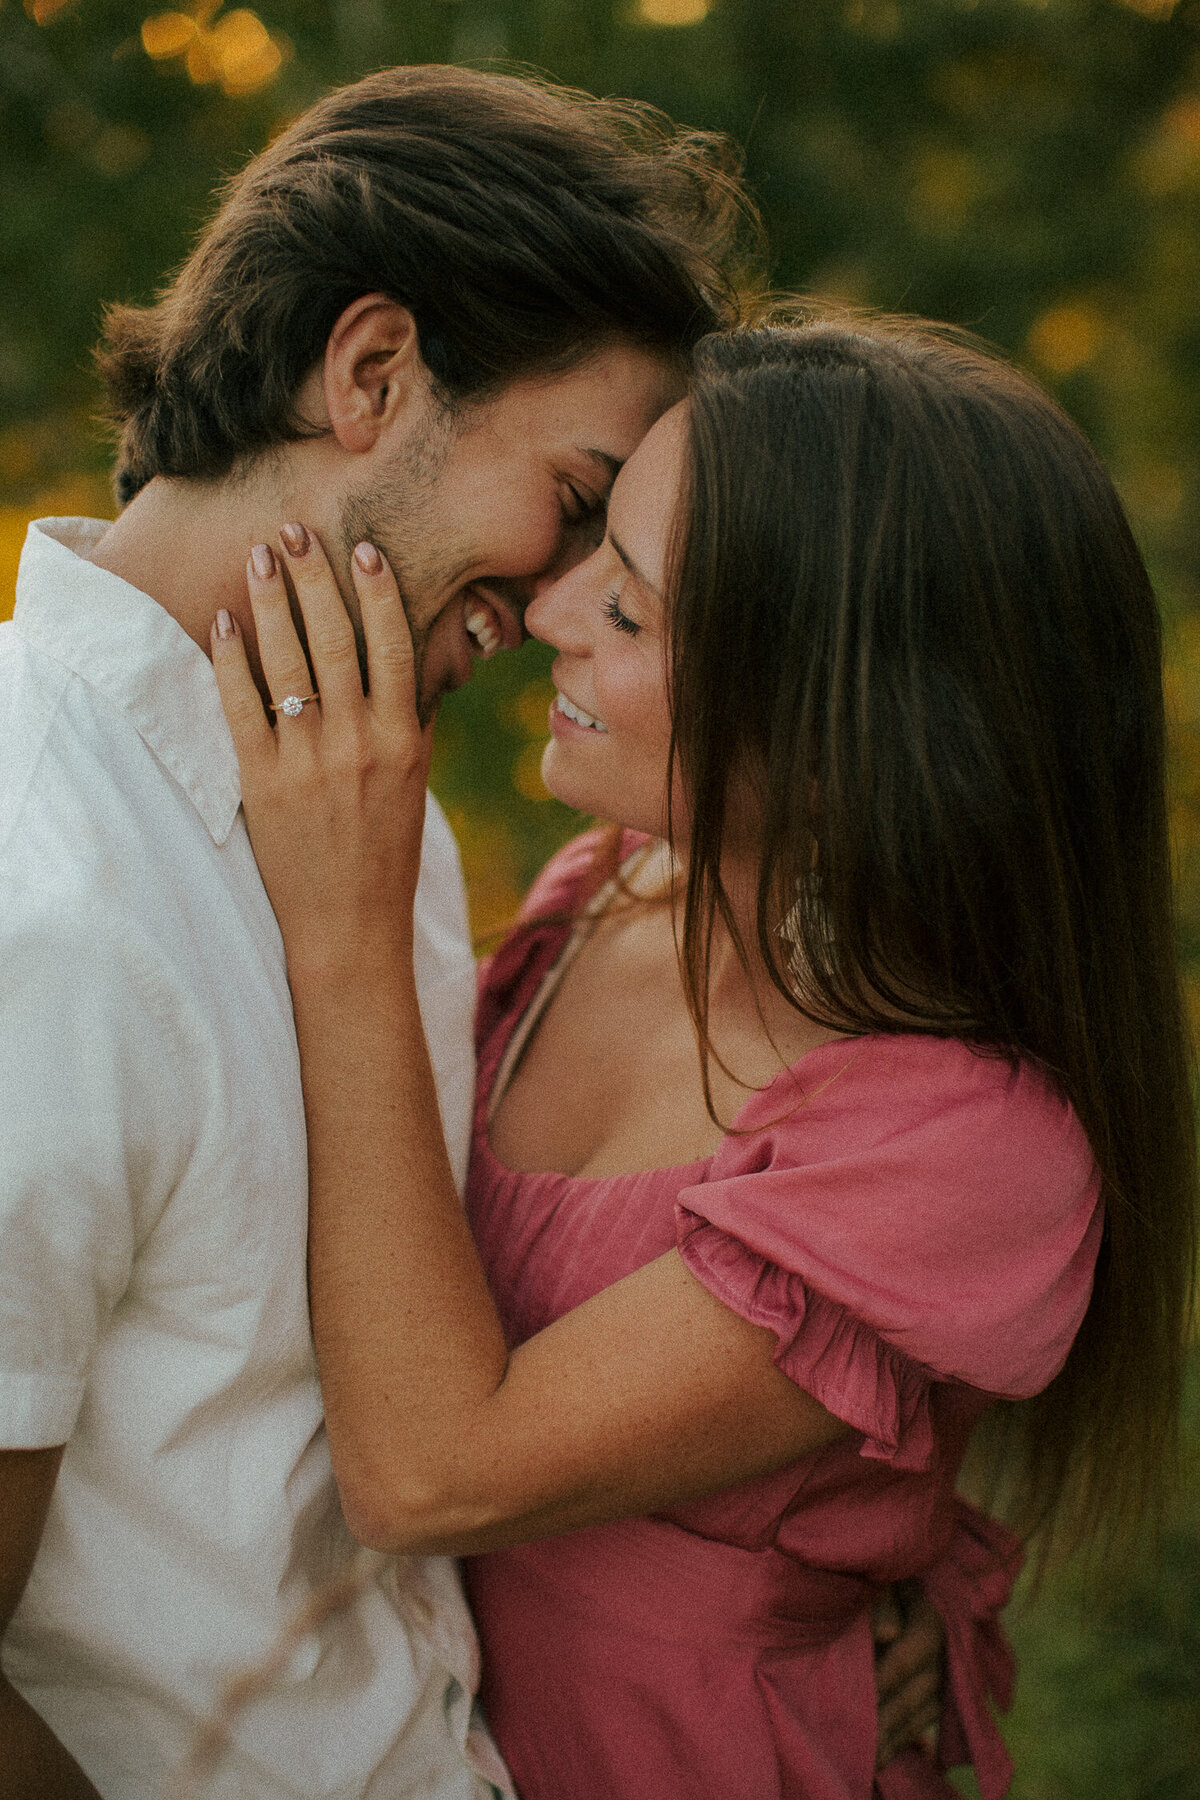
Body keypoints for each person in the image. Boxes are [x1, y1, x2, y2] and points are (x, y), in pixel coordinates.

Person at [212, 316, 1197, 1800]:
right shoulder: (606, 894)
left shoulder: (962, 1148)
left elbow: (430, 1470)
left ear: (843, 721)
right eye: (595, 548)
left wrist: (344, 921)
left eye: (633, 610)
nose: (551, 611)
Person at [0, 62, 757, 1799]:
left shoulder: (361, 799)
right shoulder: (38, 898)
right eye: (575, 496)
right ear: (372, 375)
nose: (568, 602)